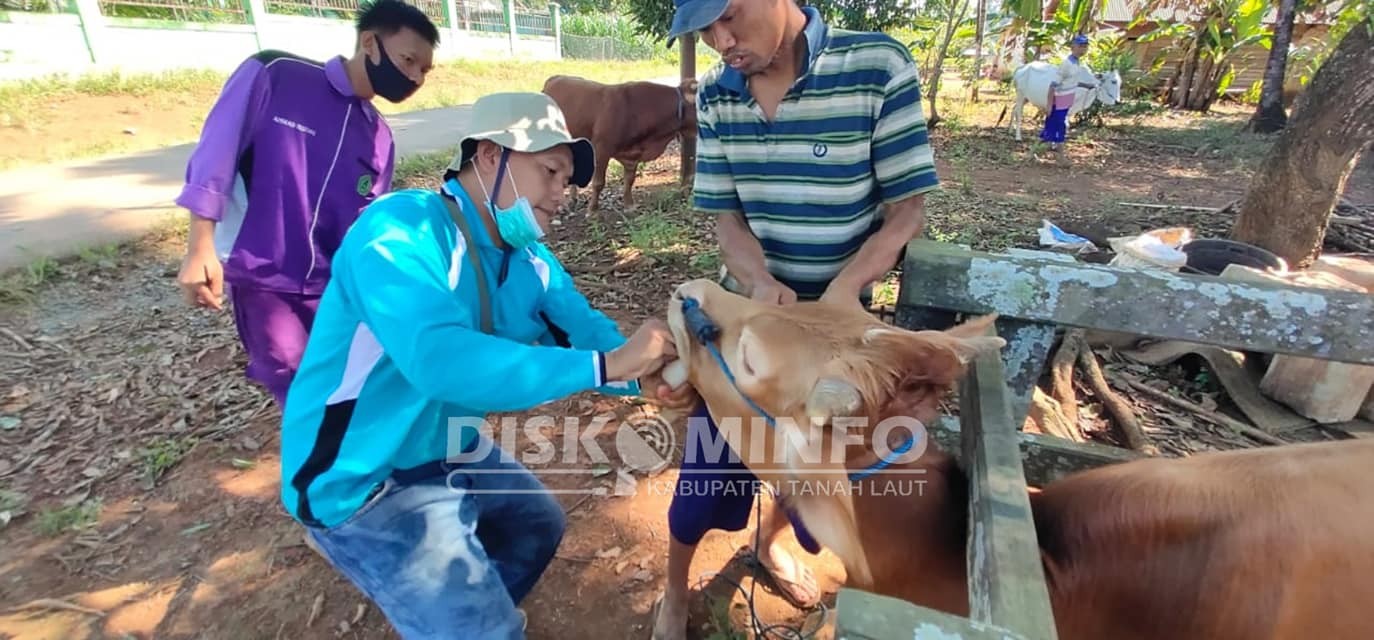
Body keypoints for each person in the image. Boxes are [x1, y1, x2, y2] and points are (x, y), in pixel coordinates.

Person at [278, 91, 681, 640]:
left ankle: (466, 616)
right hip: (361, 474)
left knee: (537, 528)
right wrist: (609, 364)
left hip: (446, 443)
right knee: (485, 627)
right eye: (550, 171)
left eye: (567, 180)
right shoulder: (399, 233)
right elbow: (439, 361)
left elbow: (587, 333)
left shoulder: (530, 262)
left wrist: (649, 376)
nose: (562, 193)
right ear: (490, 156)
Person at [649, 0, 941, 637]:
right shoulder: (721, 97)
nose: (721, 41)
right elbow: (727, 217)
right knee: (704, 480)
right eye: (705, 30)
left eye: (729, 18)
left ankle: (769, 543)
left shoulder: (876, 66)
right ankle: (675, 592)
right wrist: (756, 280)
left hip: (839, 340)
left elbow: (906, 212)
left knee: (818, 482)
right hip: (748, 329)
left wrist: (845, 289)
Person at [173, 0, 441, 407]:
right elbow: (216, 155)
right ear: (369, 42)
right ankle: (316, 467)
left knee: (349, 391)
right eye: (409, 60)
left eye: (424, 70)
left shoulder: (379, 136)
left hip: (333, 291)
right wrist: (200, 247)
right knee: (298, 391)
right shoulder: (276, 75)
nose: (415, 76)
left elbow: (367, 226)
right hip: (265, 280)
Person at [1041, 34, 1095, 162]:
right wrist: (1049, 105)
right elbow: (1053, 85)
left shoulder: (1076, 63)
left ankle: (1041, 152)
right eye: (1080, 46)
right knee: (1058, 127)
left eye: (1085, 46)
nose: (1083, 49)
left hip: (1066, 101)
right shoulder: (1067, 64)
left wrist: (1086, 85)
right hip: (1059, 101)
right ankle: (1061, 157)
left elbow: (1071, 81)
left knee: (1054, 127)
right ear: (1073, 47)